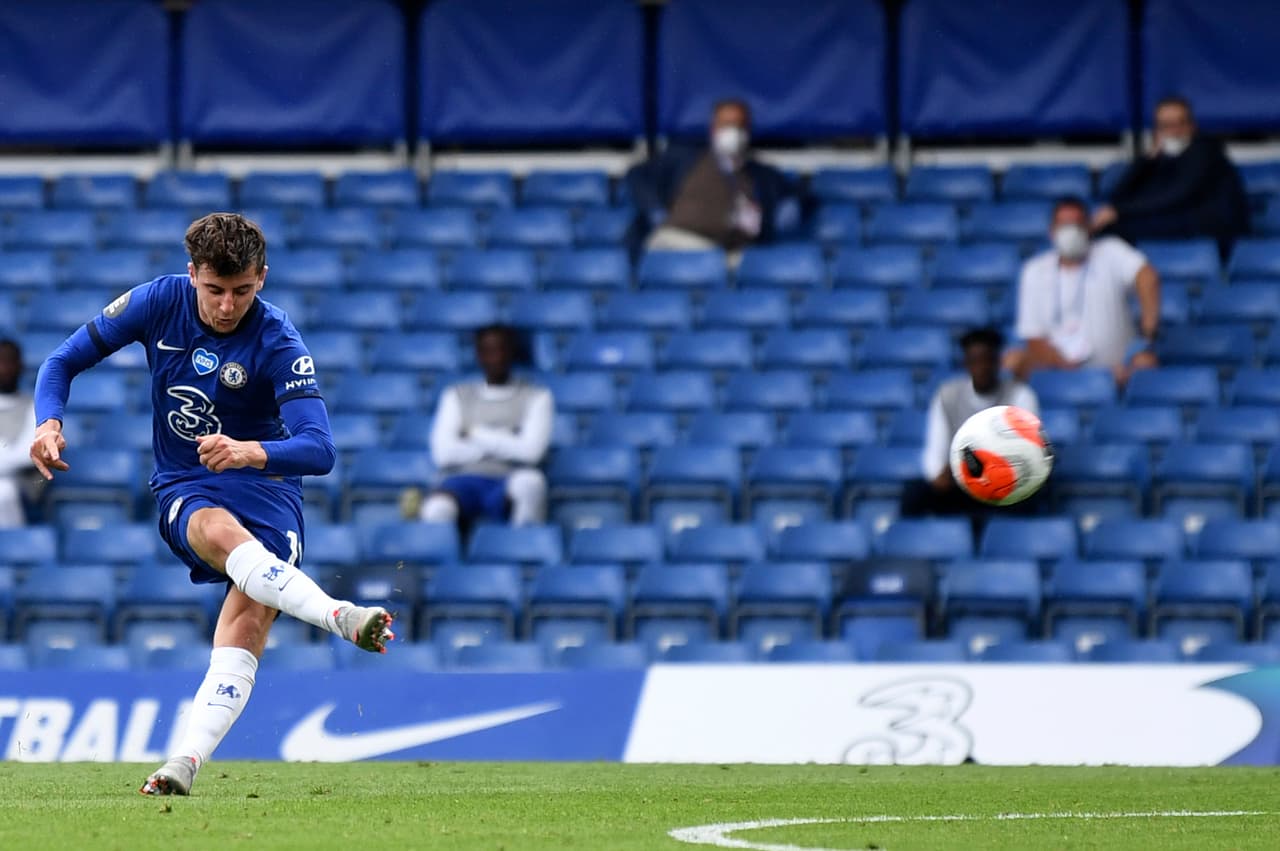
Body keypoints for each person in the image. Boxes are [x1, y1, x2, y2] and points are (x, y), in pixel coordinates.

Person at [29, 213, 393, 796]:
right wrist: (48, 421)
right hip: (186, 480)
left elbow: (320, 449)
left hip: (269, 490)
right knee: (218, 531)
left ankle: (184, 762)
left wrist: (251, 451)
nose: (227, 306)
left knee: (246, 621)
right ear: (192, 273)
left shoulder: (278, 339)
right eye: (215, 290)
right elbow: (60, 362)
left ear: (262, 279)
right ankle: (338, 616)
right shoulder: (157, 303)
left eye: (243, 291)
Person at [1005, 196, 1162, 385]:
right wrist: (1062, 364)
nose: (1071, 231)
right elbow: (1033, 336)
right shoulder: (1035, 271)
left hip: (1114, 370)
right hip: (1056, 365)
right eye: (1064, 224)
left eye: (1077, 224)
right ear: (1051, 231)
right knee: (1012, 361)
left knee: (1146, 364)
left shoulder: (1111, 252)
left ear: (1089, 227)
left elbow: (1147, 277)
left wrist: (1147, 334)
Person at [410, 324, 553, 529]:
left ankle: (523, 552)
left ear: (512, 353)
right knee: (436, 508)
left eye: (502, 350)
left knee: (531, 484)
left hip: (509, 478)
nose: (496, 358)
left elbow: (531, 453)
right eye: (489, 351)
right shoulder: (456, 396)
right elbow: (444, 454)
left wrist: (475, 435)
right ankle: (441, 559)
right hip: (462, 481)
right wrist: (508, 439)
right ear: (479, 354)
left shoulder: (537, 397)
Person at [626, 98, 802, 256]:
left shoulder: (761, 174)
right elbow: (637, 174)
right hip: (677, 242)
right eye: (726, 124)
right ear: (713, 128)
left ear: (748, 130)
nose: (733, 131)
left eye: (739, 125)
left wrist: (792, 202)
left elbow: (802, 193)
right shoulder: (685, 157)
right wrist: (653, 207)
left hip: (731, 255)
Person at [901, 327, 1041, 522]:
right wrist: (940, 475)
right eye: (975, 361)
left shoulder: (1020, 396)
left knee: (1032, 494)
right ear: (966, 363)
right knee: (914, 494)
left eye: (987, 360)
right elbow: (935, 453)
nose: (982, 367)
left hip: (1004, 485)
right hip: (961, 483)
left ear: (997, 362)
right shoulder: (947, 396)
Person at [1092, 96, 1249, 258]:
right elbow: (1118, 196)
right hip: (1179, 223)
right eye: (1166, 126)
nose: (1174, 131)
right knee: (1109, 228)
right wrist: (1147, 160)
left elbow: (1176, 195)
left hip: (1212, 232)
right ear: (1157, 130)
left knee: (1116, 228)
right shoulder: (1162, 159)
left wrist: (1120, 211)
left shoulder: (1205, 152)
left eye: (1181, 123)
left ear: (1192, 125)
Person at [0, 339, 36, 527]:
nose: (3, 368)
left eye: (8, 361)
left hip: (20, 484)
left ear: (19, 366)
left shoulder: (33, 406)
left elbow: (28, 453)